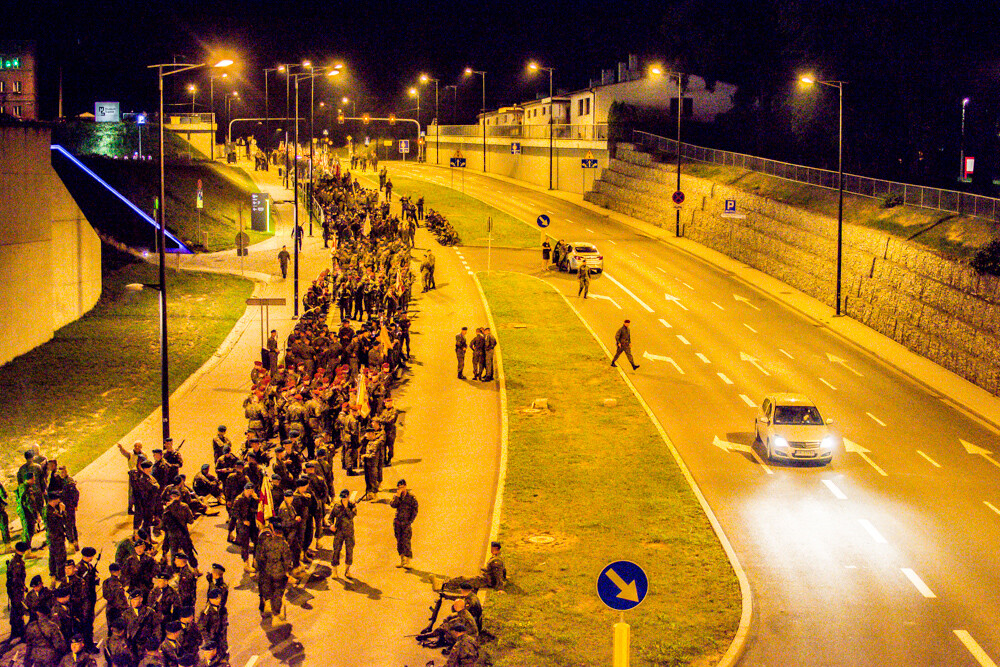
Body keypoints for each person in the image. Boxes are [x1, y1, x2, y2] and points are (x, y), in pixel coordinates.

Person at [254, 517, 293, 618]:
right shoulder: (266, 535)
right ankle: (270, 609)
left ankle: (268, 607)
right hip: (268, 569)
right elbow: (287, 560)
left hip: (266, 568)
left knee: (268, 588)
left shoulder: (269, 537)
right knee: (273, 591)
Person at [389, 479, 418, 568]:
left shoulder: (411, 497)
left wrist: (410, 520)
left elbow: (415, 510)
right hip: (398, 522)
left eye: (402, 487)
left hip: (406, 522)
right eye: (399, 487)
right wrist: (397, 497)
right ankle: (402, 561)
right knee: (399, 541)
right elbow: (393, 505)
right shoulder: (397, 496)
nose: (401, 489)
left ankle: (408, 561)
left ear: (405, 486)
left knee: (406, 541)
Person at [329, 489, 356, 580]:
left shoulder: (352, 505)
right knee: (336, 550)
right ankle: (334, 570)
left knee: (349, 551)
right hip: (339, 532)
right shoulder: (336, 506)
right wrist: (331, 525)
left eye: (345, 498)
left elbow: (351, 515)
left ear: (348, 497)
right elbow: (330, 518)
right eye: (342, 499)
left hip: (349, 532)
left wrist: (346, 508)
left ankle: (347, 570)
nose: (343, 500)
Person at [7, 541, 28, 644]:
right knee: (18, 610)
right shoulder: (18, 563)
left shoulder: (14, 560)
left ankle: (14, 631)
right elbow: (16, 578)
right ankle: (20, 632)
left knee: (15, 610)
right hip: (16, 590)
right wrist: (22, 587)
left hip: (13, 589)